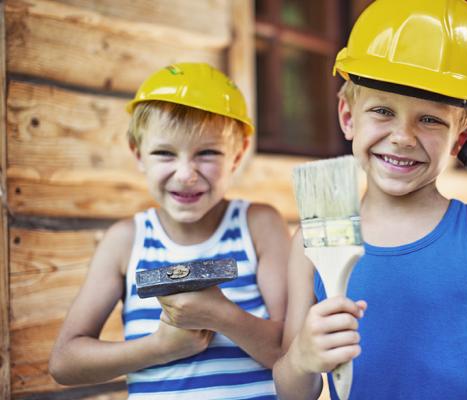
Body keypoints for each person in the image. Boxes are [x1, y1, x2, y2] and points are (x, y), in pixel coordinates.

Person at [272, 1, 467, 399]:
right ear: (347, 116)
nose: (403, 137)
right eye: (382, 111)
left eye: (430, 120)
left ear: (461, 137)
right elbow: (293, 391)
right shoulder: (313, 238)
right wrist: (302, 359)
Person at [49, 62, 289, 399]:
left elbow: (291, 355)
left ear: (237, 156)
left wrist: (221, 316)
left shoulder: (259, 226)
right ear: (138, 154)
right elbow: (64, 362)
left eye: (207, 153)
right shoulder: (126, 242)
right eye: (164, 153)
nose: (186, 174)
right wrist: (161, 347)